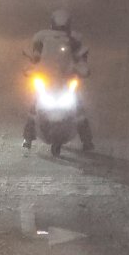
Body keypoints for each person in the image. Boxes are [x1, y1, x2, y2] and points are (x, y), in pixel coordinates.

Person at [23, 9, 94, 151]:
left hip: (65, 80)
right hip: (47, 78)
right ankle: (28, 137)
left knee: (79, 109)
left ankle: (87, 141)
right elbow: (36, 56)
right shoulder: (42, 38)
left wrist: (81, 69)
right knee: (34, 106)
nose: (60, 30)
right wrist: (32, 67)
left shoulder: (75, 39)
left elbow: (81, 58)